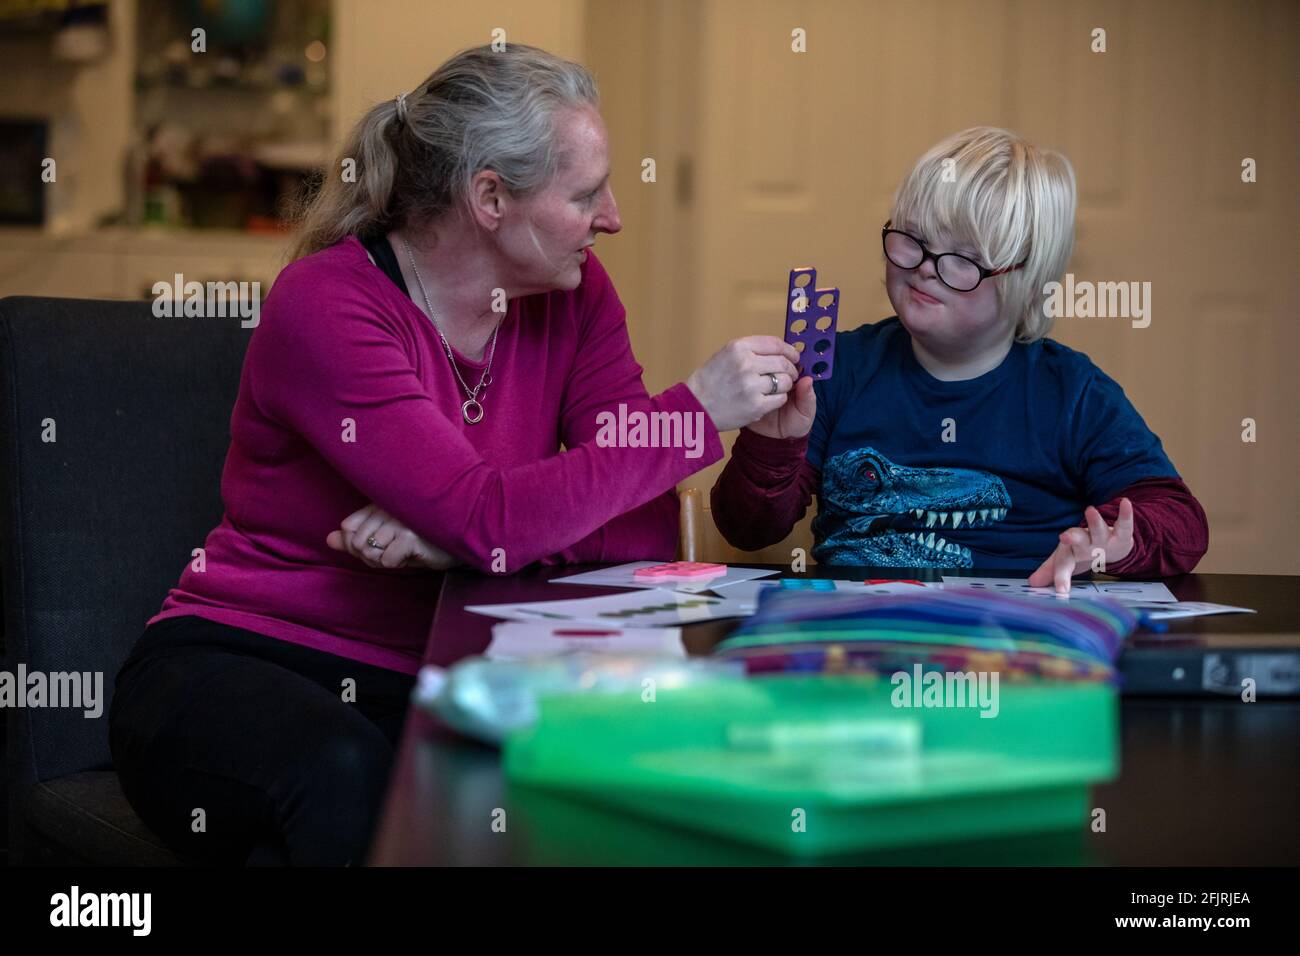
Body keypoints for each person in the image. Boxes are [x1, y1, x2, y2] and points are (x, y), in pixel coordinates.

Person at [109, 43, 801, 866]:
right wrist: (694, 415)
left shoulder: (575, 297)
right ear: (491, 198)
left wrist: (457, 537)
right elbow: (495, 516)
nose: (614, 215)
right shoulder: (328, 304)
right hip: (244, 657)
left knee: (573, 789)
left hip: (437, 669)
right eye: (585, 194)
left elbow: (644, 523)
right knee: (348, 782)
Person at [711, 126, 1208, 591]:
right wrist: (771, 447)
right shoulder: (837, 368)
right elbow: (747, 530)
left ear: (1027, 282)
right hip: (856, 638)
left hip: (1012, 644)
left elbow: (1182, 522)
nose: (925, 269)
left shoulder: (1073, 392)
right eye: (912, 240)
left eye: (962, 258)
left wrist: (1115, 542)